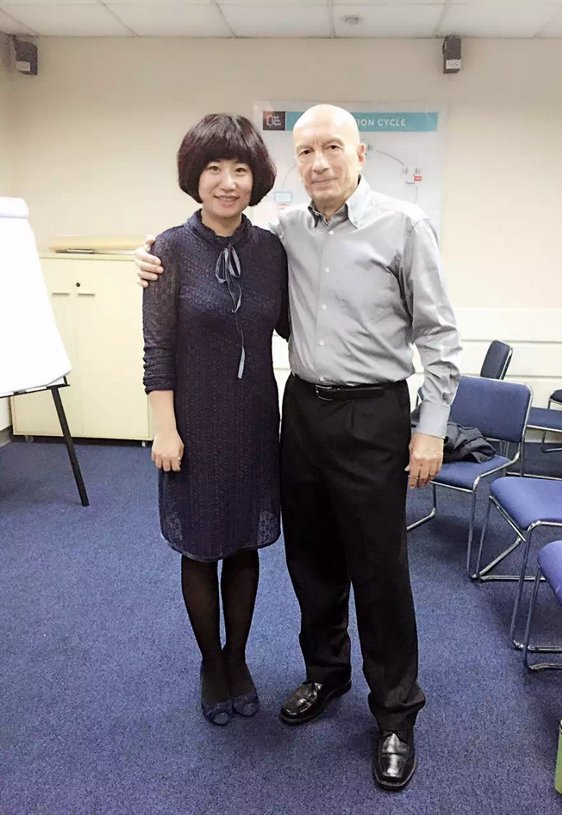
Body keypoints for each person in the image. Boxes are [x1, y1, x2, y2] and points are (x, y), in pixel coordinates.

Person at [136, 104, 461, 790]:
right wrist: (149, 255)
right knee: (311, 562)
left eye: (332, 147)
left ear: (360, 153)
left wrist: (430, 427)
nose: (319, 162)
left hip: (373, 413)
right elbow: (213, 254)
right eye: (307, 150)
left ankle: (395, 712)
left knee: (378, 569)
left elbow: (439, 337)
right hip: (302, 410)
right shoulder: (282, 233)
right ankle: (326, 674)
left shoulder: (404, 226)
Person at [142, 113, 288, 727]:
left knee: (244, 543)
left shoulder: (271, 250)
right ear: (194, 177)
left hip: (253, 421)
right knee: (202, 548)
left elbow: (294, 324)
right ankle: (210, 662)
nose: (228, 182)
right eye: (213, 168)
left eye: (240, 169)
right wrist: (165, 428)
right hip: (194, 424)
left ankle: (238, 657)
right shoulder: (168, 250)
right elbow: (157, 349)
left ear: (256, 179)